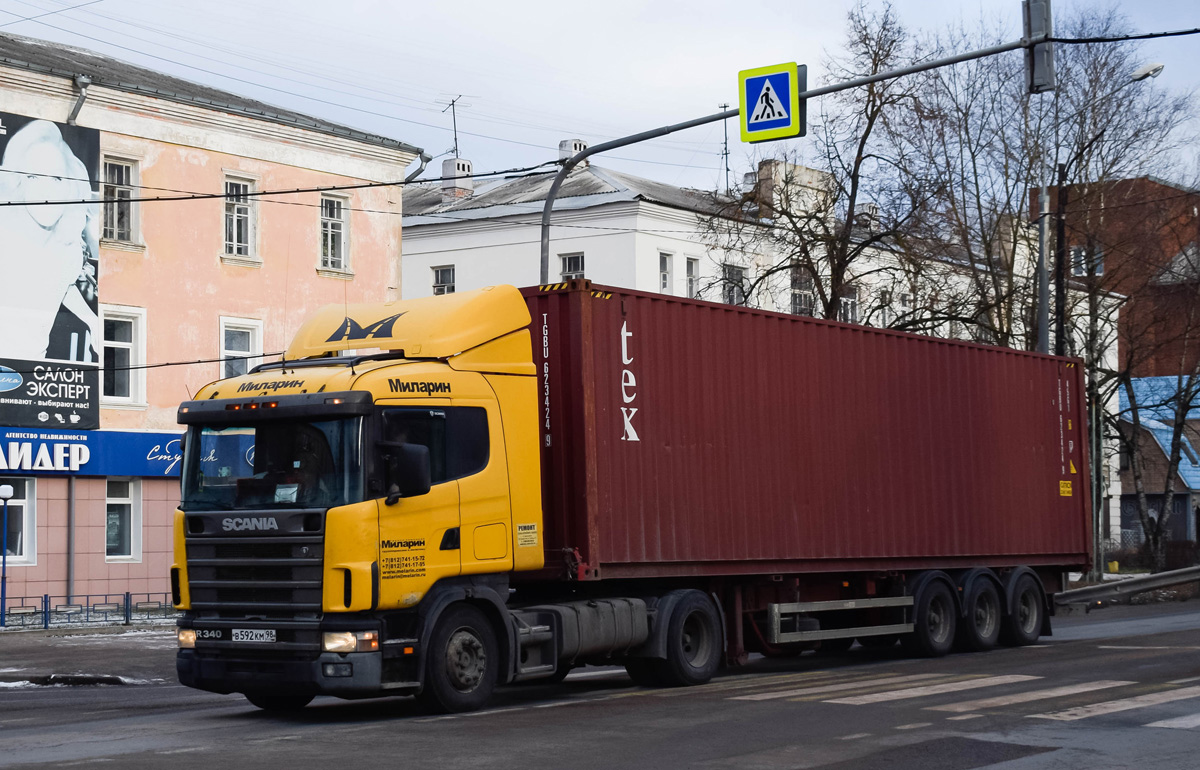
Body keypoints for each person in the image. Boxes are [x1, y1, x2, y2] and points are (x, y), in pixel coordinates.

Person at [0, 119, 99, 362]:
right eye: (34, 177)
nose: (46, 192)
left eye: (56, 179)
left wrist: (92, 321)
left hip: (33, 376)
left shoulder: (68, 250)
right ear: (19, 184)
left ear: (70, 188)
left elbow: (59, 285)